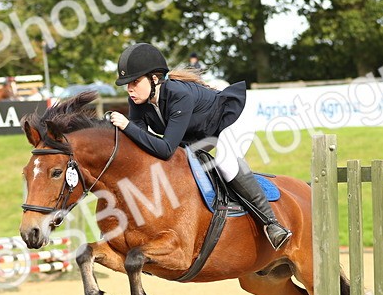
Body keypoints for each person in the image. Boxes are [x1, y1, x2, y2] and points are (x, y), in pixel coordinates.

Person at [105, 42, 291, 249]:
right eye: (127, 84)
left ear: (154, 79)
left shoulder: (178, 95)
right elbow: (142, 143)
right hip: (200, 134)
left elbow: (165, 149)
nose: (129, 89)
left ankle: (273, 224)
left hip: (232, 120)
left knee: (225, 163)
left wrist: (127, 125)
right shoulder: (138, 101)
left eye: (135, 82)